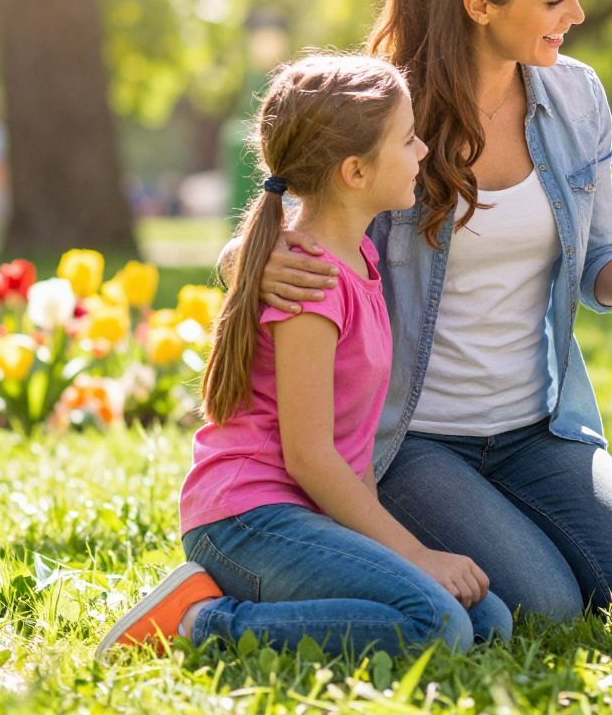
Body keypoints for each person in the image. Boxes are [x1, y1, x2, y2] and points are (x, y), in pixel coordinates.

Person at [249, 0, 612, 623]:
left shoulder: (577, 97)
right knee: (547, 608)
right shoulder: (391, 112)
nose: (576, 16)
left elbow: (598, 268)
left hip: (538, 427)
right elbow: (299, 219)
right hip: (414, 438)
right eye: (554, 0)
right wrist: (250, 262)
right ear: (479, 4)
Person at [97, 54, 512, 660]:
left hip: (303, 514)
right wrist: (416, 555)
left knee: (486, 620)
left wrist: (388, 552)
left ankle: (284, 606)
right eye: (408, 139)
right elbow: (311, 458)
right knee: (438, 627)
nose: (423, 151)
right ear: (354, 171)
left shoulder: (360, 262)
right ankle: (201, 621)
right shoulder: (309, 286)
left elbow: (353, 448)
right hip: (246, 521)